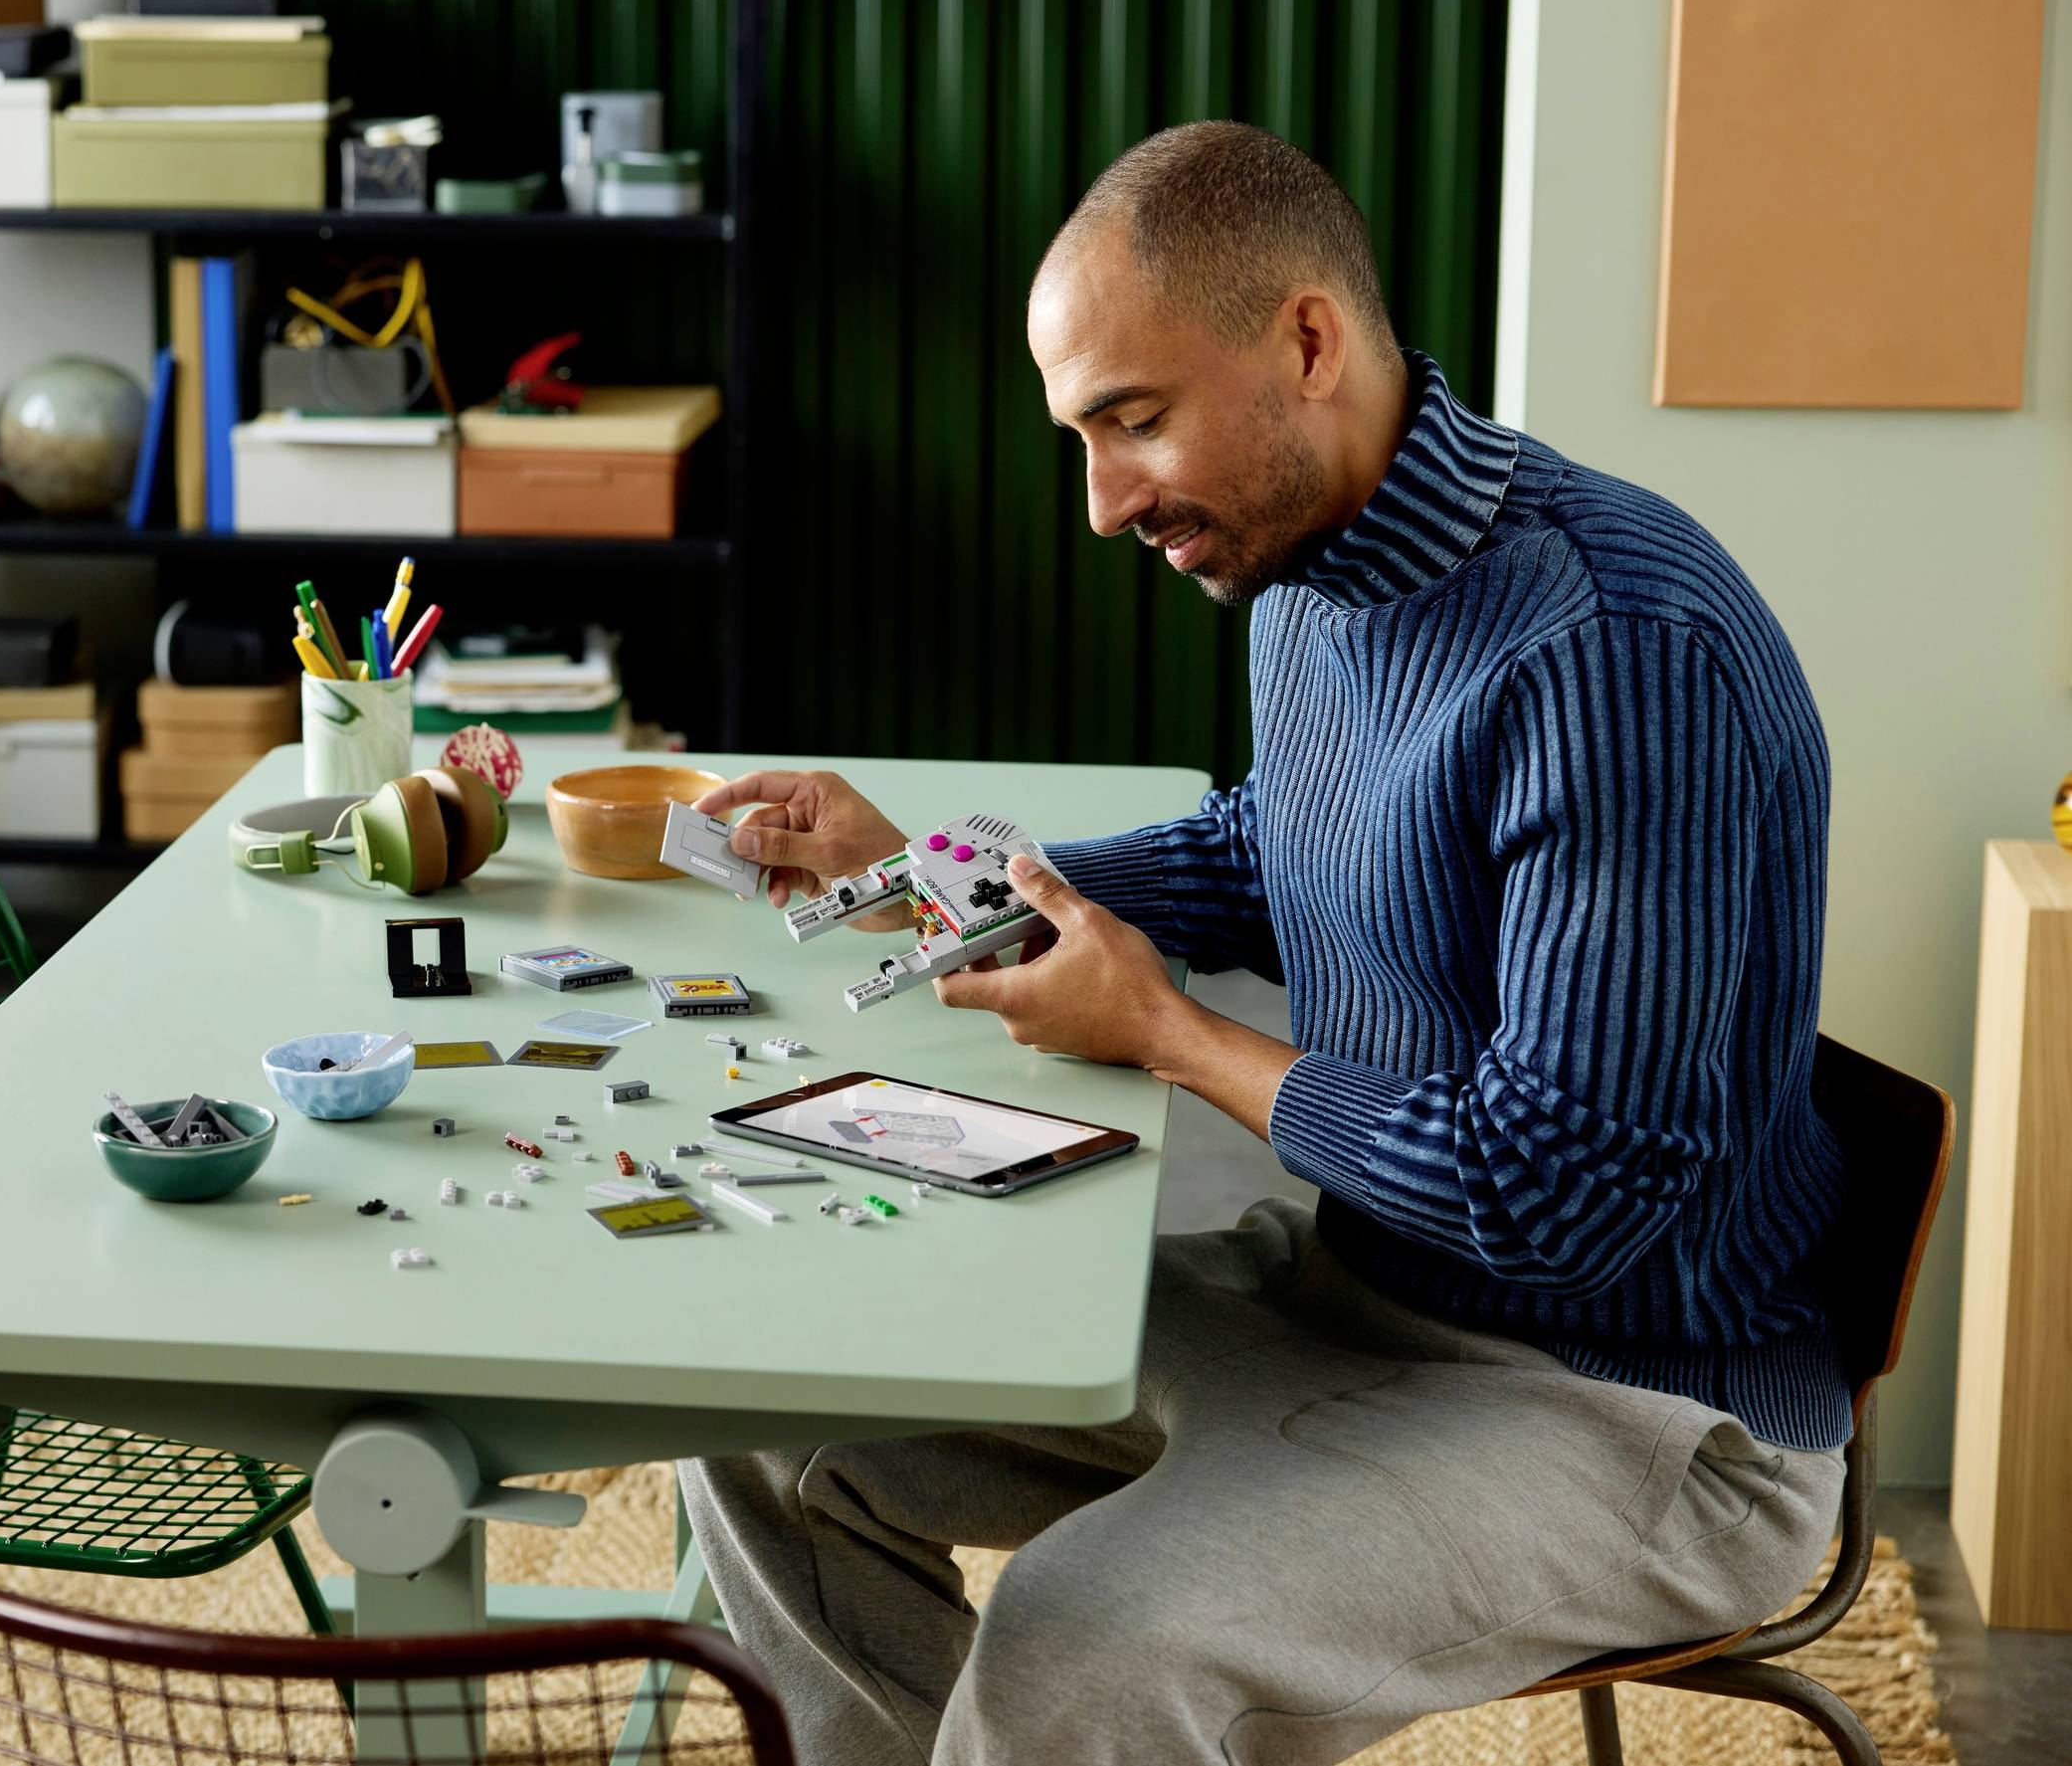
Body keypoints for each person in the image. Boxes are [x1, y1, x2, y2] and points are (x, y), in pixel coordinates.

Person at [680, 120, 1848, 1766]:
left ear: (1307, 342)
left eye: (1135, 420)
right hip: (1351, 1296)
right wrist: (928, 872)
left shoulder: (1619, 650)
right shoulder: (1305, 572)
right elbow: (1266, 849)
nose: (1103, 504)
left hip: (1631, 1408)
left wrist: (1168, 1035)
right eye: (1083, 436)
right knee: (761, 1422)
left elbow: (1562, 1192)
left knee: (1083, 1648)